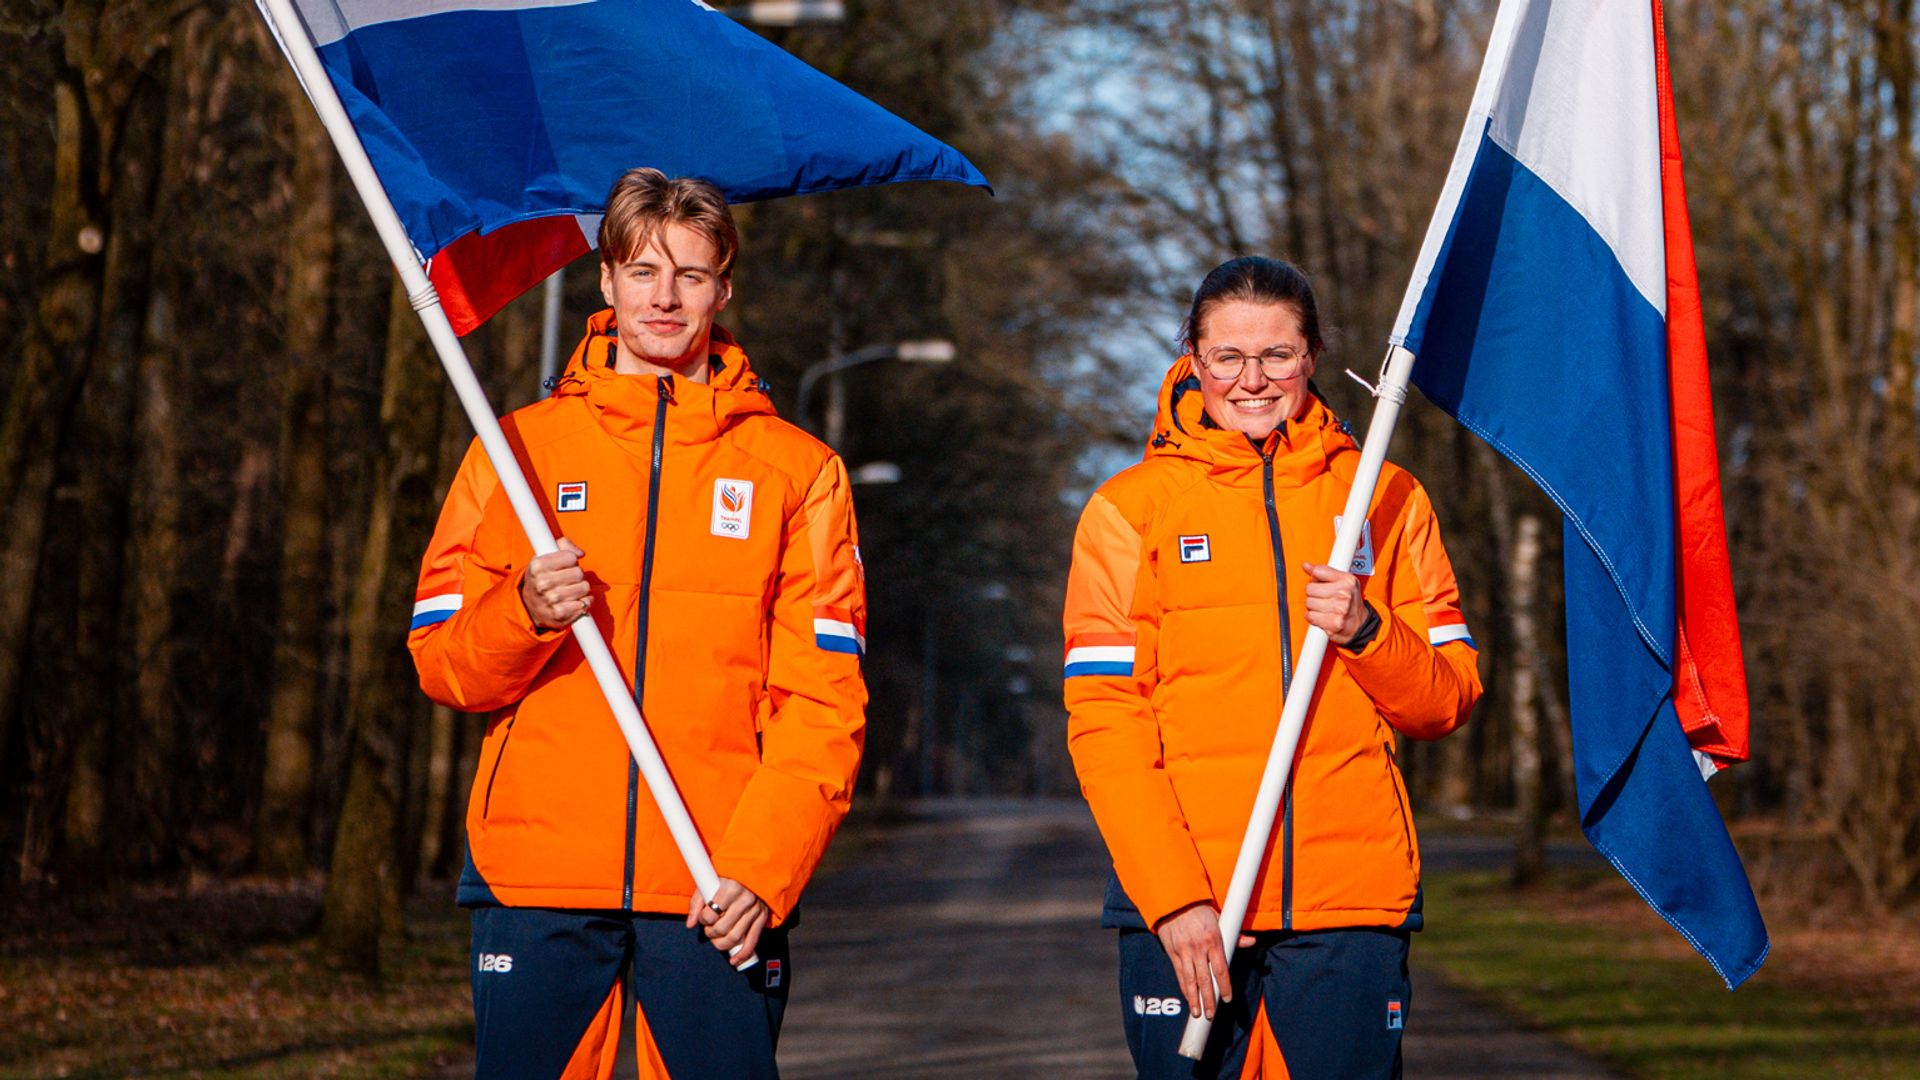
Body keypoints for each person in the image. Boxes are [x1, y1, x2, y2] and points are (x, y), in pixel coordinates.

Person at [408, 168, 868, 1079]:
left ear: (723, 287)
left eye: (690, 275)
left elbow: (825, 703)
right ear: (606, 280)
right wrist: (523, 614)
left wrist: (761, 872)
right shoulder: (519, 449)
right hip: (537, 878)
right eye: (644, 270)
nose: (665, 296)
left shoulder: (797, 470)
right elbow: (442, 664)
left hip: (715, 885)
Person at [1063, 257, 1482, 1079]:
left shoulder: (1387, 500)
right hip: (1189, 909)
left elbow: (1446, 700)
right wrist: (1174, 897)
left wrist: (1367, 629)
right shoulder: (1126, 511)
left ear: (1314, 354)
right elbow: (1106, 724)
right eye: (1227, 357)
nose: (1251, 381)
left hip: (1348, 906)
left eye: (1277, 356)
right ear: (1192, 357)